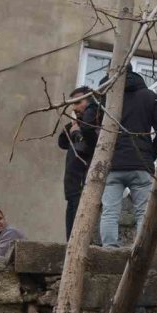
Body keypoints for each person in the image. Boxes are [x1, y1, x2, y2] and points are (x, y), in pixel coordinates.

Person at [83, 65, 157, 248]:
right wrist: (151, 153)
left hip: (112, 164)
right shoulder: (148, 96)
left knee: (110, 211)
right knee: (143, 212)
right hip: (141, 163)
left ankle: (109, 248)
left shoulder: (105, 95)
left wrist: (98, 150)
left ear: (112, 73)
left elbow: (86, 125)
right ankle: (140, 250)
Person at [58, 86, 96, 240]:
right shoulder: (78, 123)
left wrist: (77, 132)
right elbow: (62, 142)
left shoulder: (94, 123)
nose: (74, 107)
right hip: (73, 186)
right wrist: (73, 125)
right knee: (70, 234)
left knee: (77, 235)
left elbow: (85, 147)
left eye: (78, 102)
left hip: (82, 184)